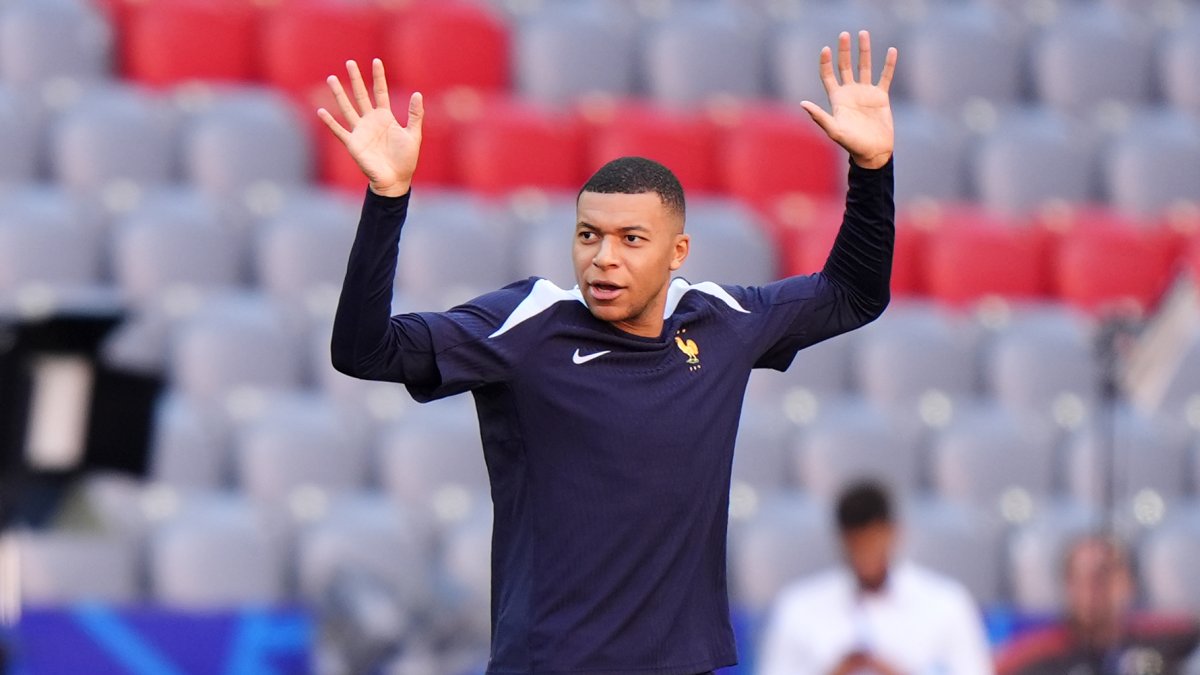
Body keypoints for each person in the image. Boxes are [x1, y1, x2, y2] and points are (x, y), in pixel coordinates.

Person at [321, 29, 897, 675]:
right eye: (588, 234)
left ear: (676, 252)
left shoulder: (722, 320)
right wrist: (387, 200)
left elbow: (853, 294)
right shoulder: (527, 325)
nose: (604, 257)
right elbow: (364, 351)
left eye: (630, 238)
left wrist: (872, 171)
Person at [757, 481, 993, 675]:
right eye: (857, 545)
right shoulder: (798, 606)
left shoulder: (947, 603)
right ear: (841, 540)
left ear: (894, 533)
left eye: (874, 543)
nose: (866, 556)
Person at [996, 535, 1200, 675]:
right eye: (1083, 578)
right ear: (1068, 586)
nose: (1095, 590)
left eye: (1105, 576)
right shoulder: (1031, 658)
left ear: (1129, 583)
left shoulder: (1164, 642)